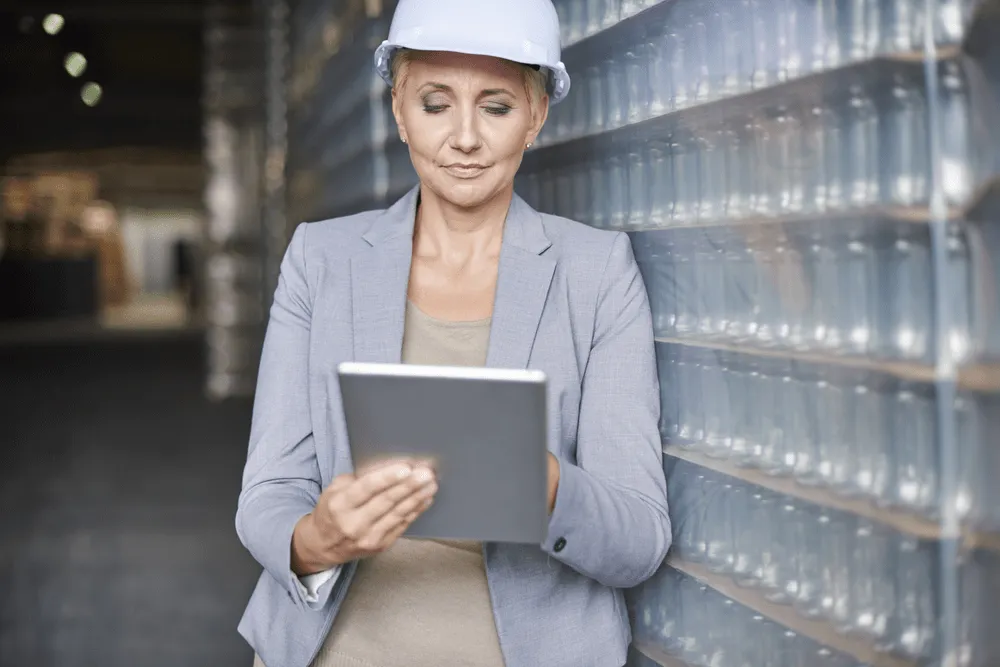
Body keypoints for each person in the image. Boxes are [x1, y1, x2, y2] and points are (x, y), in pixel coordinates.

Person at [235, 1, 671, 666]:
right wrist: (316, 537)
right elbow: (268, 492)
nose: (464, 137)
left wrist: (545, 482)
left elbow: (638, 537)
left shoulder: (596, 274)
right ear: (399, 112)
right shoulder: (320, 261)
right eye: (436, 103)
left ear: (536, 116)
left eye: (495, 106)